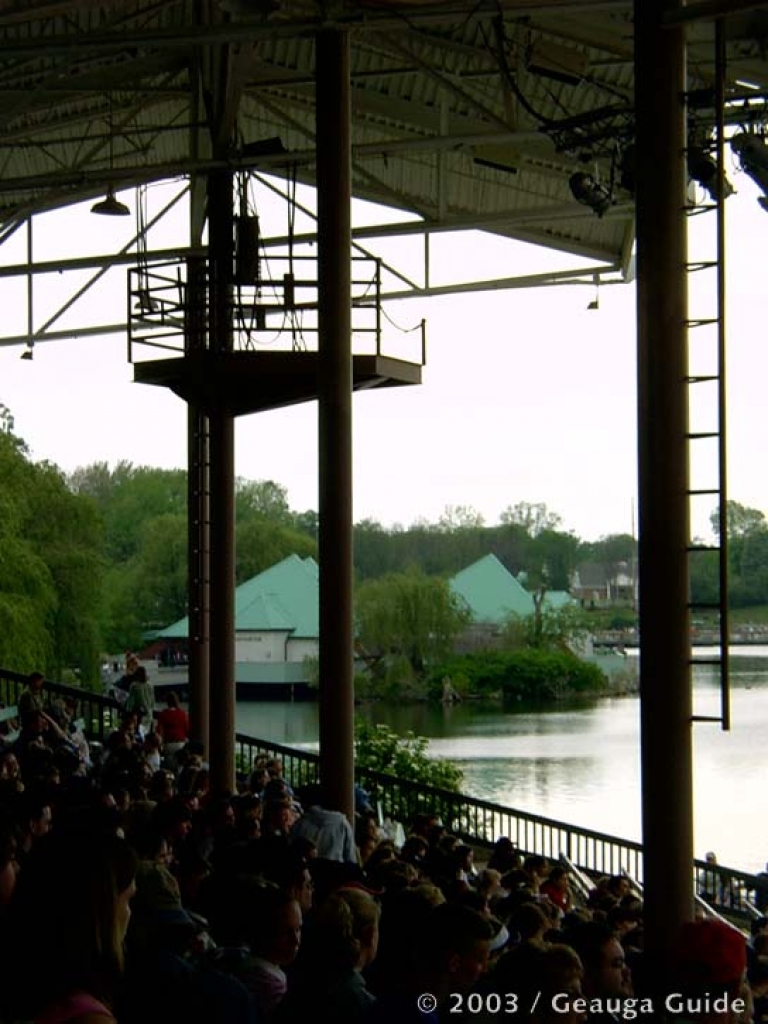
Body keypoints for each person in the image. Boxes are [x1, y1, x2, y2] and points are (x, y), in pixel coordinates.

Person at [1, 828, 137, 1023]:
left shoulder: (26, 988)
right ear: (100, 913)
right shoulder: (90, 1019)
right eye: (128, 900)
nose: (129, 912)